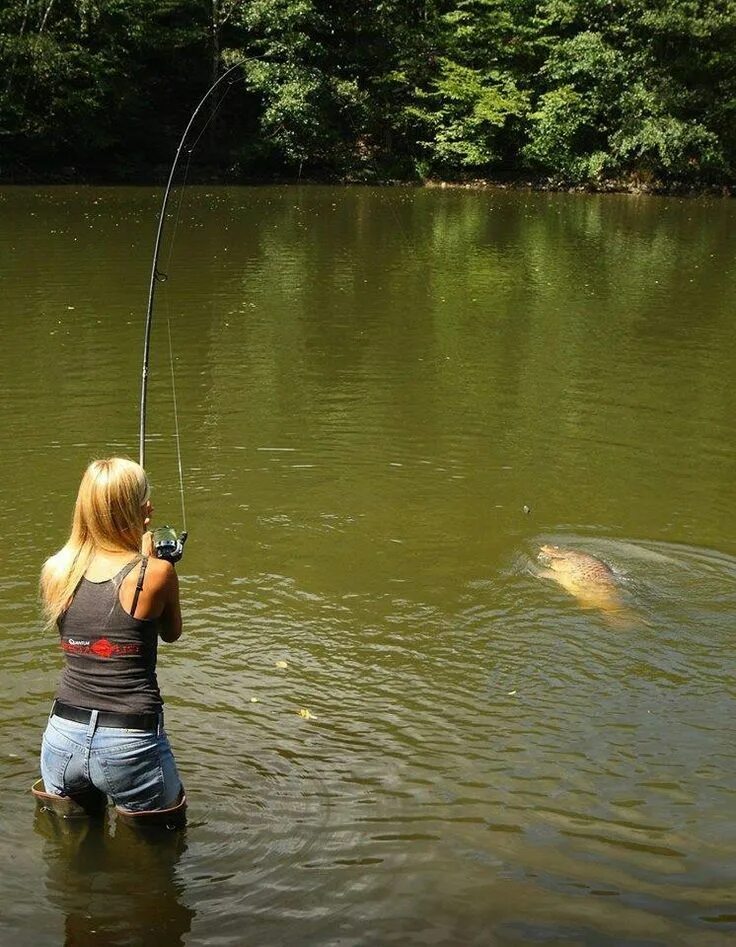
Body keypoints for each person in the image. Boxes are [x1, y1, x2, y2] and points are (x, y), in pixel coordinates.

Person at [38, 457, 184, 816]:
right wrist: (150, 561)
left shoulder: (56, 570)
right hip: (129, 741)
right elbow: (172, 633)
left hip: (62, 735)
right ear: (142, 511)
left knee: (71, 857)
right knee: (159, 852)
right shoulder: (156, 573)